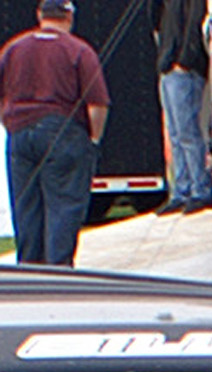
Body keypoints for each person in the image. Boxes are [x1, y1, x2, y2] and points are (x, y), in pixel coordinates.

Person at [0, 0, 106, 266]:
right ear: (69, 17)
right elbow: (97, 104)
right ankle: (59, 273)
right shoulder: (79, 50)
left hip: (20, 134)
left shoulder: (13, 48)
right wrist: (93, 139)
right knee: (63, 207)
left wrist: (10, 124)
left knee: (26, 209)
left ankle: (30, 273)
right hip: (63, 132)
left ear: (40, 15)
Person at [156, 0, 211, 214]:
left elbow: (196, 22)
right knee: (175, 133)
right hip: (169, 66)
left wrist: (185, 61)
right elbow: (155, 18)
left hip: (184, 68)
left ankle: (199, 189)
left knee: (187, 132)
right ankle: (181, 190)